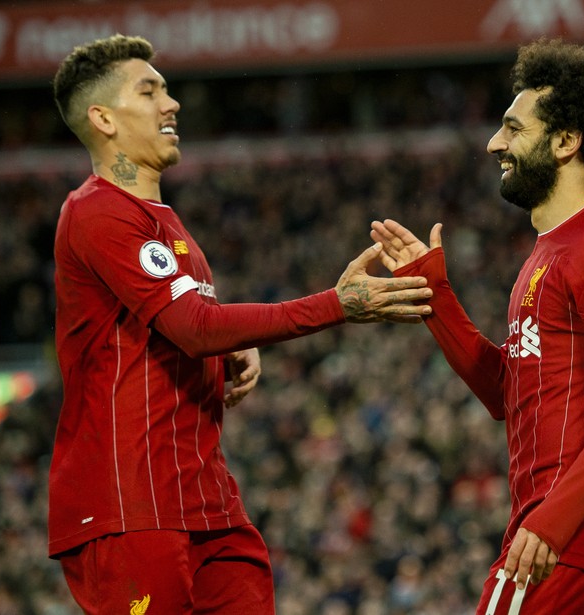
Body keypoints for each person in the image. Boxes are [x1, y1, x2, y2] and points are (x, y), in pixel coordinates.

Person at [49, 33, 432, 614]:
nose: (171, 104)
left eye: (168, 90)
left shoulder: (165, 223)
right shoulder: (97, 210)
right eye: (149, 91)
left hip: (205, 500)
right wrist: (337, 304)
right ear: (102, 117)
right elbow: (194, 325)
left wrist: (228, 348)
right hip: (134, 503)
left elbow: (190, 326)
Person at [371, 39, 584, 614]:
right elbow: (506, 393)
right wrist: (433, 295)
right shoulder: (548, 254)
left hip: (569, 539)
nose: (493, 143)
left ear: (565, 141)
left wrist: (552, 523)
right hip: (566, 537)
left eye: (513, 127)